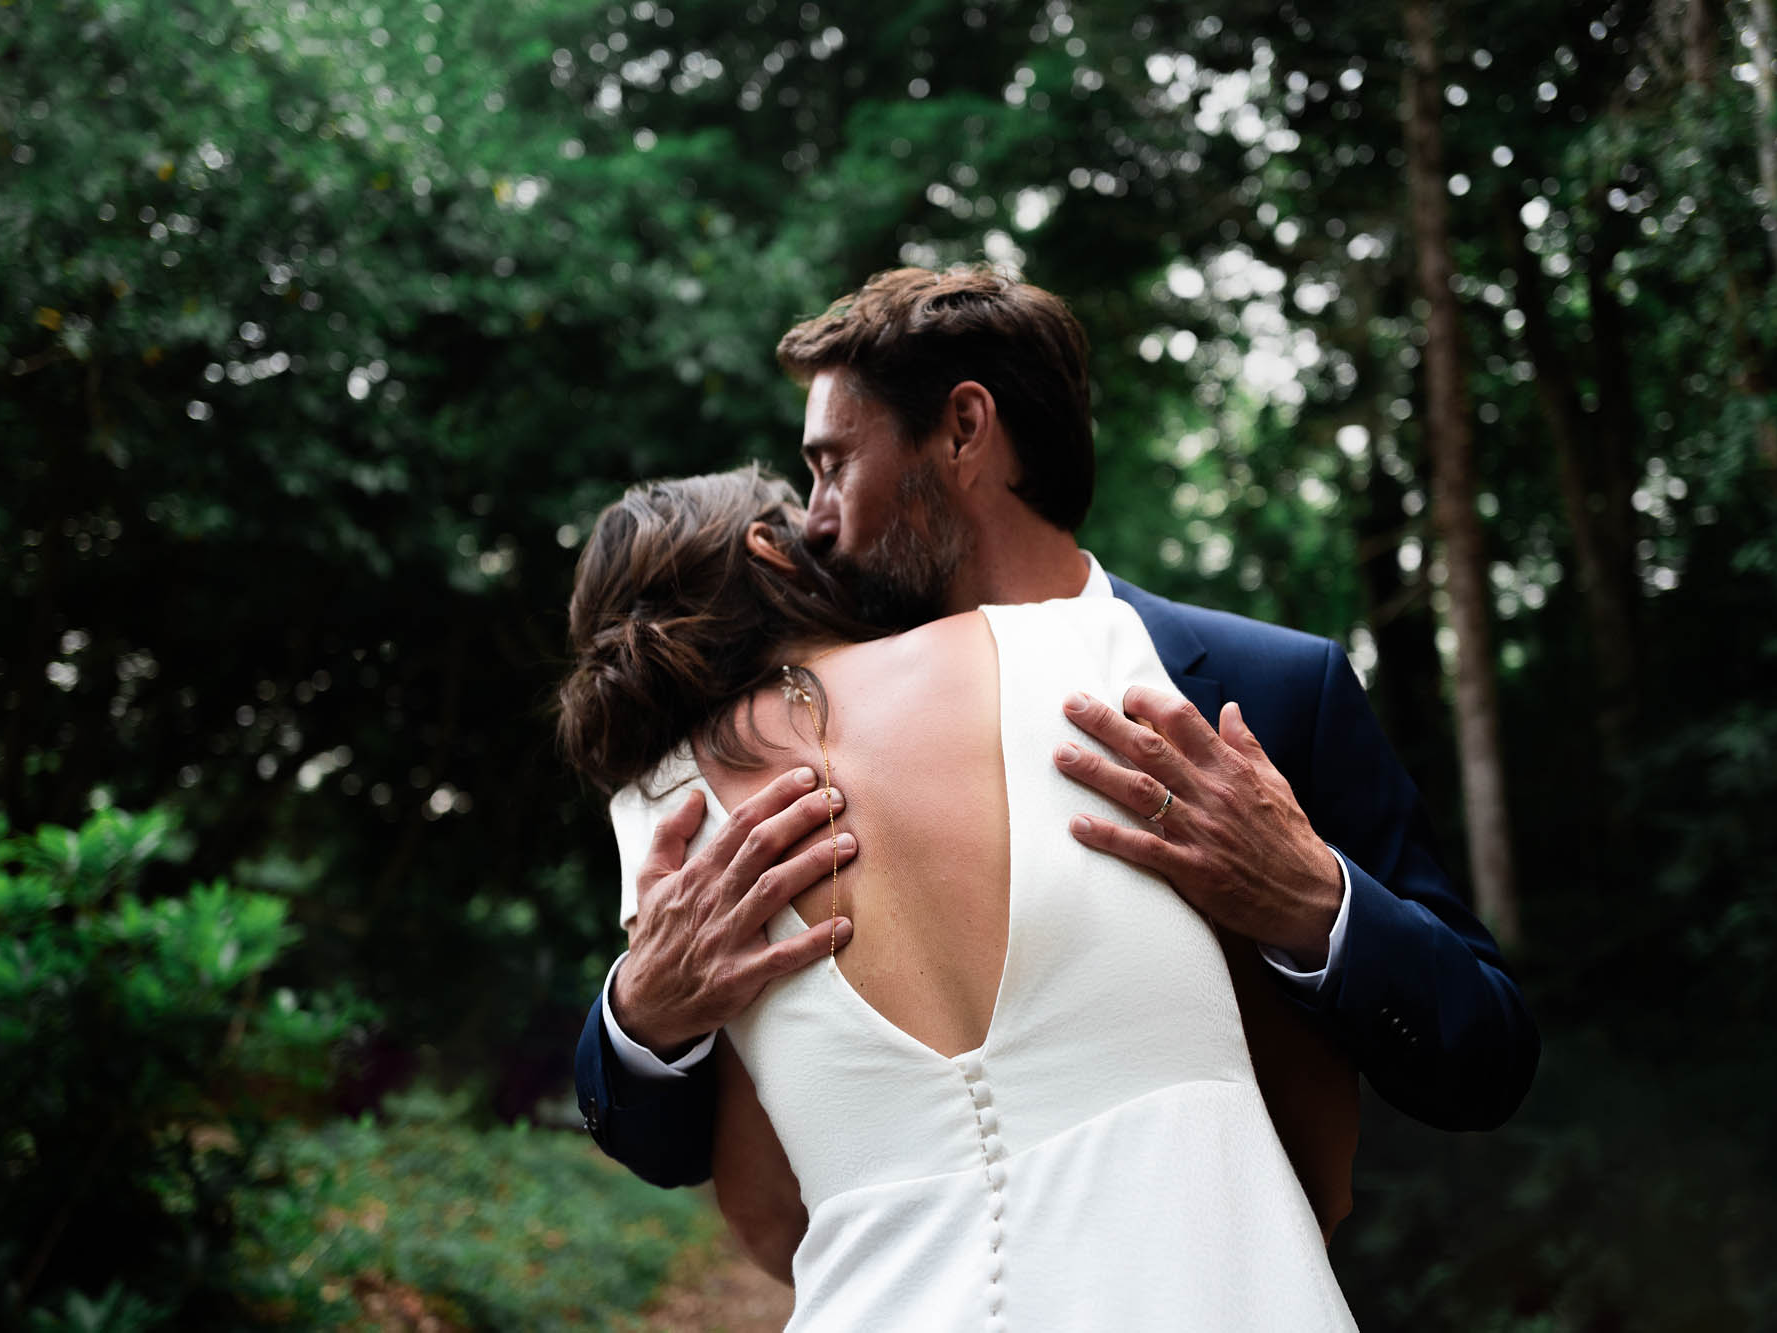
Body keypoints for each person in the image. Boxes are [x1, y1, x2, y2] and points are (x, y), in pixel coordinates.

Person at [572, 266, 1538, 1210]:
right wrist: (641, 1018)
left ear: (963, 429)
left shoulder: (1270, 689)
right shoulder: (791, 743)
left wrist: (1316, 904)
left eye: (833, 467)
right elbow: (679, 1150)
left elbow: (1488, 1060)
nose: (813, 523)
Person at [559, 465, 1361, 1327]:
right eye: (806, 500)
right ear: (772, 547)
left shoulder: (663, 811)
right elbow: (1282, 1053)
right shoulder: (1080, 642)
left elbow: (766, 1212)